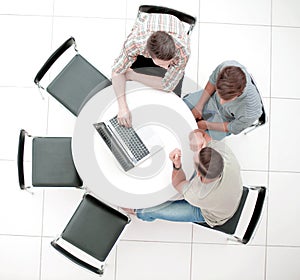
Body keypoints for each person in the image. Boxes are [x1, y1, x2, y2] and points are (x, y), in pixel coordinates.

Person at [124, 129, 243, 227]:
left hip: (215, 214)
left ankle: (137, 211)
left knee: (151, 210)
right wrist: (198, 135)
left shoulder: (197, 195)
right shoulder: (224, 153)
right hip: (232, 193)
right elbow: (203, 135)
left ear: (198, 174)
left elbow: (178, 183)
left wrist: (177, 165)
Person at [112, 11, 191, 127]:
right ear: (148, 54)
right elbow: (116, 71)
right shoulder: (135, 43)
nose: (165, 69)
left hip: (175, 26)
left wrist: (131, 75)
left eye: (168, 64)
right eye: (162, 64)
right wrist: (122, 108)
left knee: (171, 93)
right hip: (146, 26)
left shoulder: (183, 51)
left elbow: (167, 85)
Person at [183, 60, 263, 140]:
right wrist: (199, 105)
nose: (221, 102)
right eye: (219, 93)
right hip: (210, 97)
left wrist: (206, 125)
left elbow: (233, 127)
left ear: (237, 95)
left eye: (225, 99)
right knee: (182, 108)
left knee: (197, 144)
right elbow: (212, 82)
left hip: (224, 120)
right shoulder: (225, 68)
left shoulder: (251, 111)